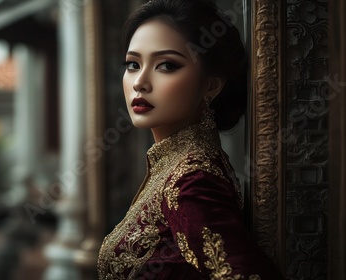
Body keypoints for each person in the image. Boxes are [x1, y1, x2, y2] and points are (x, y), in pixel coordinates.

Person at [97, 0, 285, 279]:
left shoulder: (191, 179)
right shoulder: (173, 164)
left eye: (166, 65)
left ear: (211, 84)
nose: (139, 82)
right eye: (133, 64)